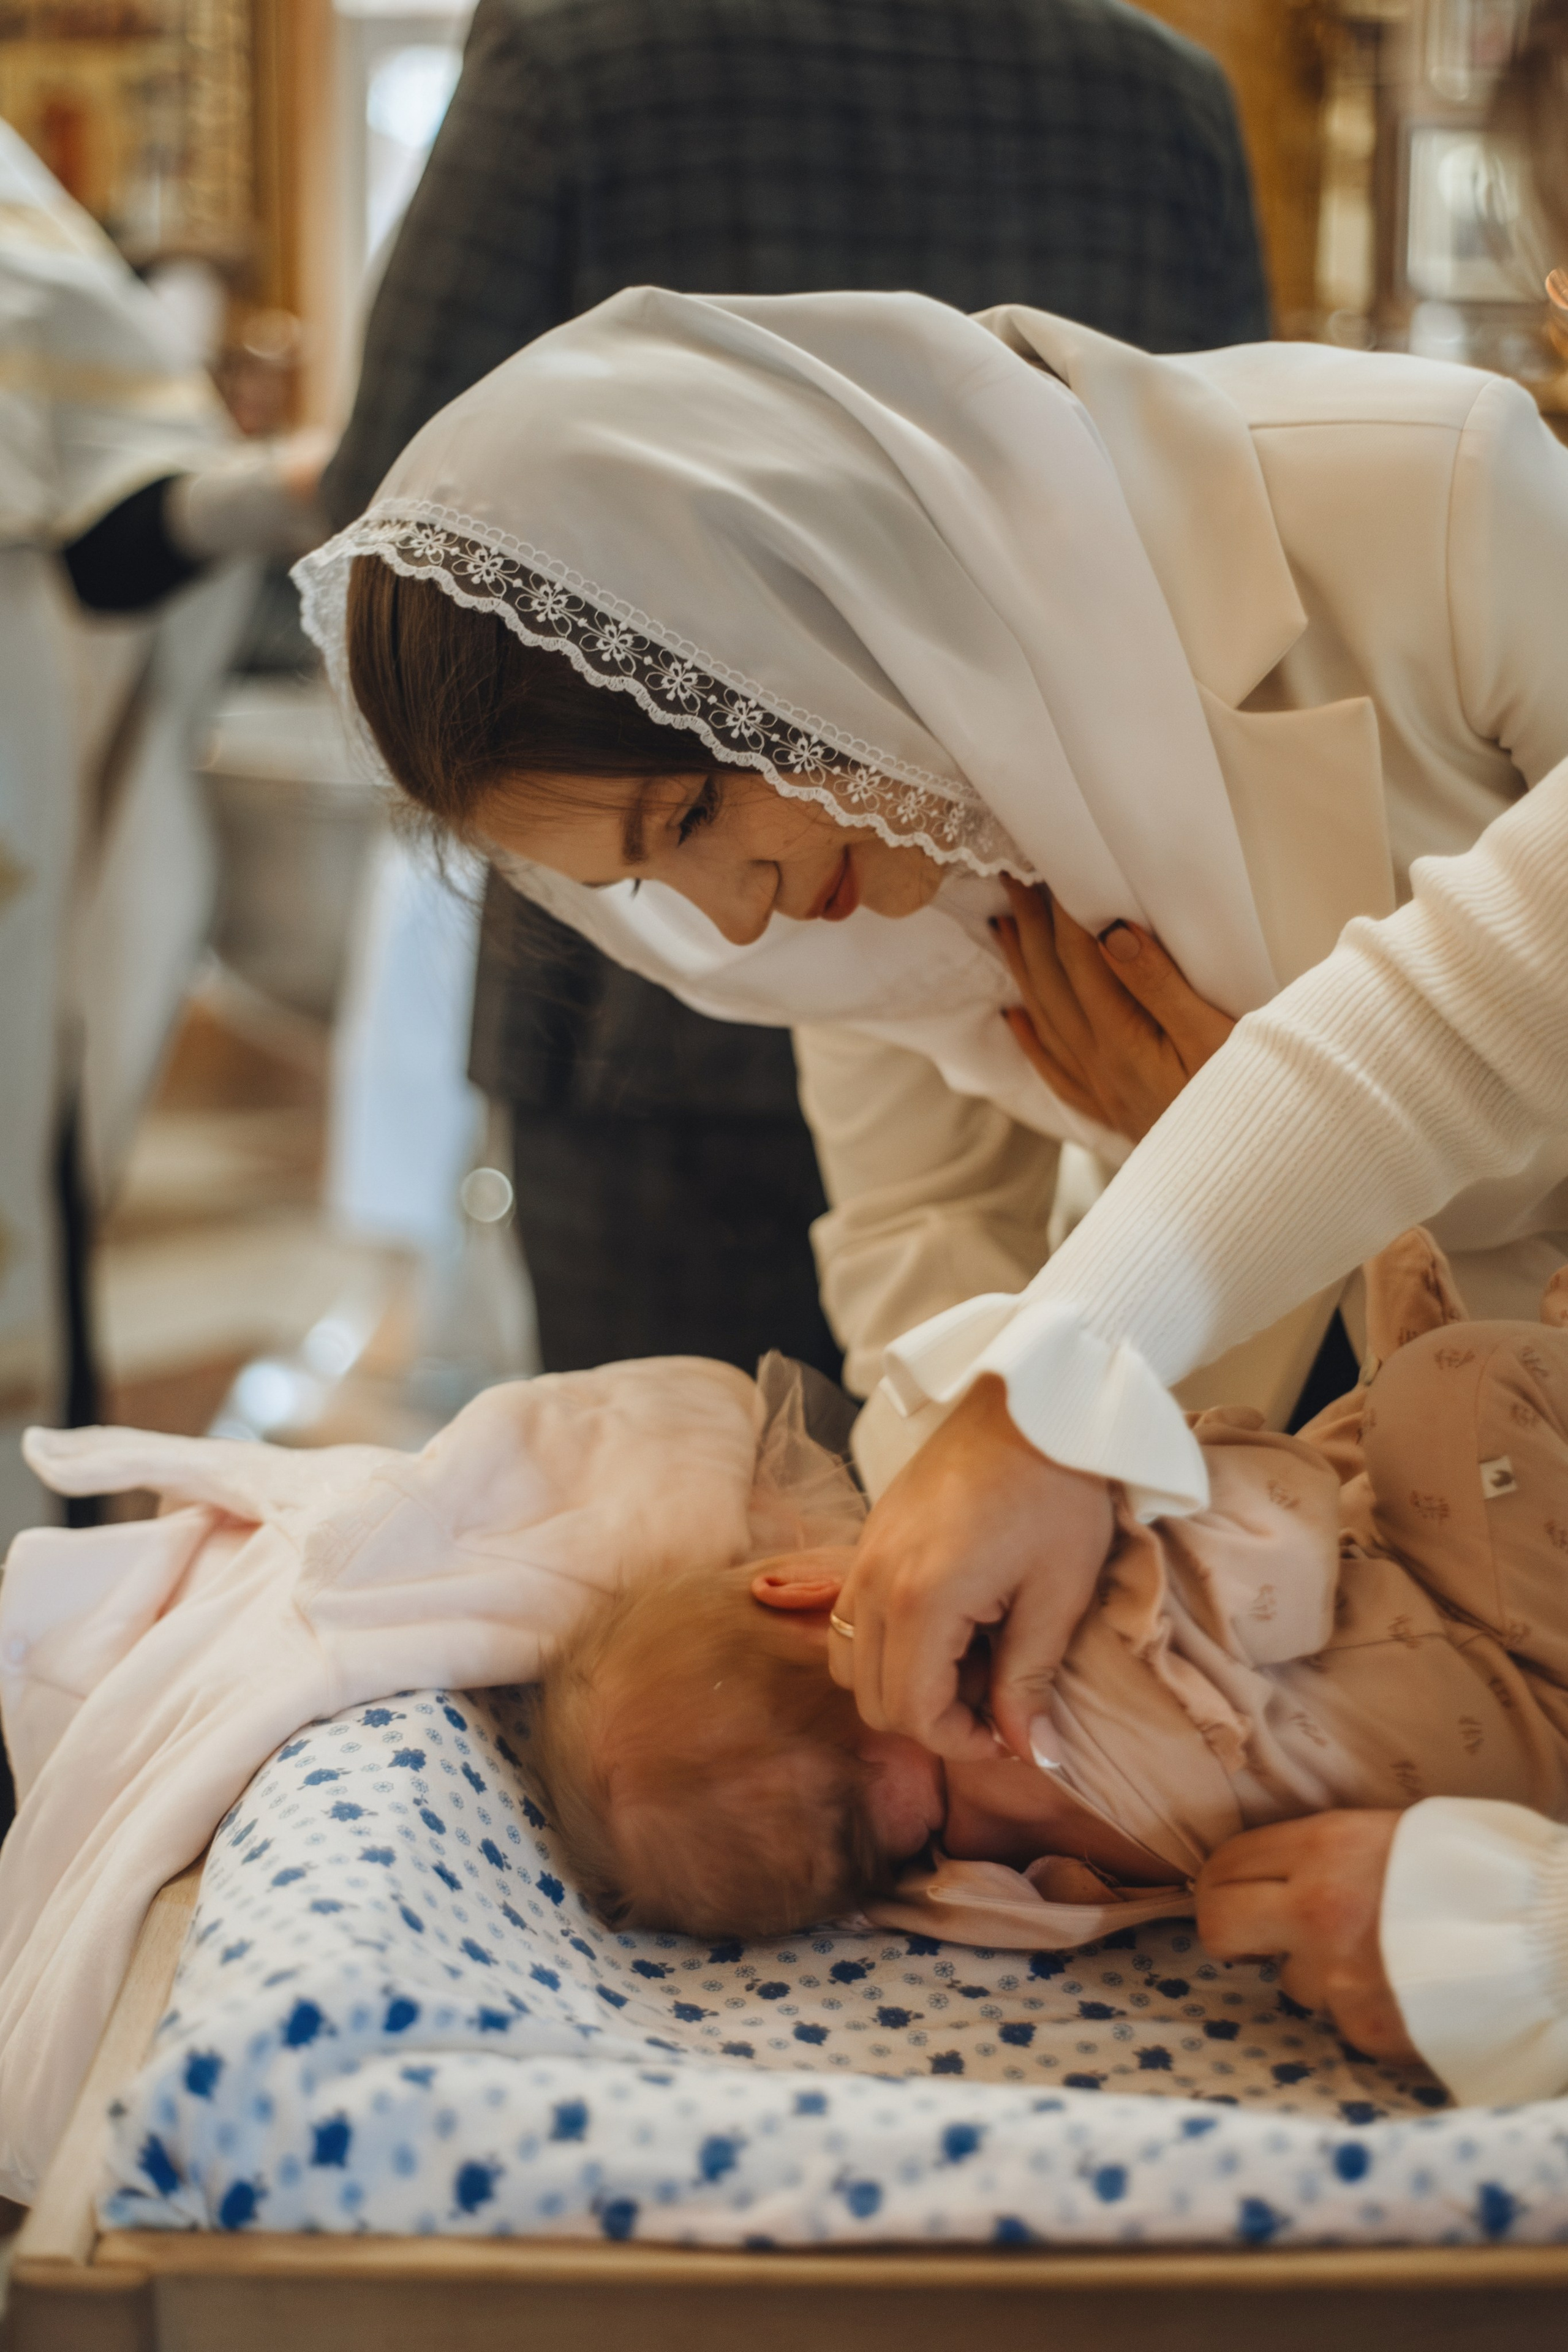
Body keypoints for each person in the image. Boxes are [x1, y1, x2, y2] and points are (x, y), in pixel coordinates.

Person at [321, 0, 1270, 1379]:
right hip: (1136, 930)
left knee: (713, 1531)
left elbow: (411, 536)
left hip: (652, 1051)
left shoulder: (572, 58)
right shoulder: (1164, 88)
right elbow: (1208, 481)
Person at [533, 1231, 1568, 2036]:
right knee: (1453, 1385)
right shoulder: (1058, 1637)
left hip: (1492, 1808)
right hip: (1515, 1656)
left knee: (1379, 1483)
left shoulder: (974, 1895)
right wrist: (1112, 1465)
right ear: (802, 1587)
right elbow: (1283, 1525)